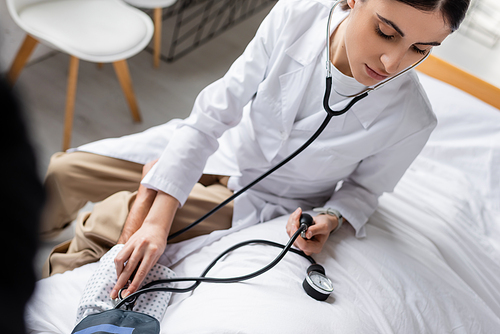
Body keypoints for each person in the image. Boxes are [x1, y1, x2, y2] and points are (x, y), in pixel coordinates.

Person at [41, 0, 469, 302]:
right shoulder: (295, 16)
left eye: (420, 50)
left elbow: (363, 191)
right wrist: (159, 214)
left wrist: (332, 218)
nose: (393, 62)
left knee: (106, 223)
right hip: (221, 146)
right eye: (385, 31)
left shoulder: (412, 119)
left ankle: (47, 299)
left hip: (263, 197)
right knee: (65, 171)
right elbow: (213, 114)